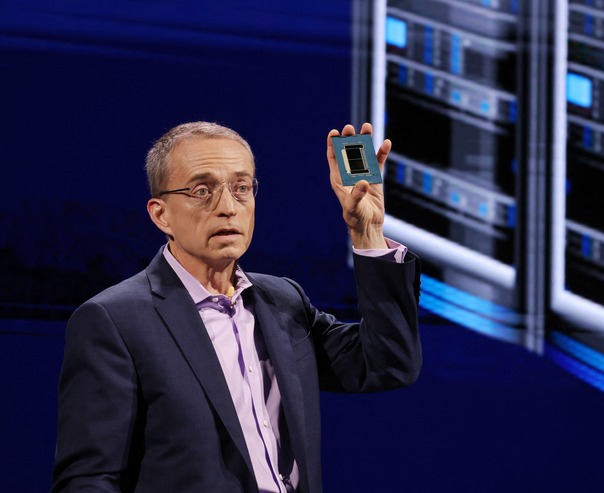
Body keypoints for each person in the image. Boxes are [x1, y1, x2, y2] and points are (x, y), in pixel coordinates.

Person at [51, 121, 422, 493]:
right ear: (161, 214)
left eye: (241, 188)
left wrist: (367, 232)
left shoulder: (283, 301)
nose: (227, 208)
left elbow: (388, 363)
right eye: (202, 191)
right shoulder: (115, 320)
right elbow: (88, 479)